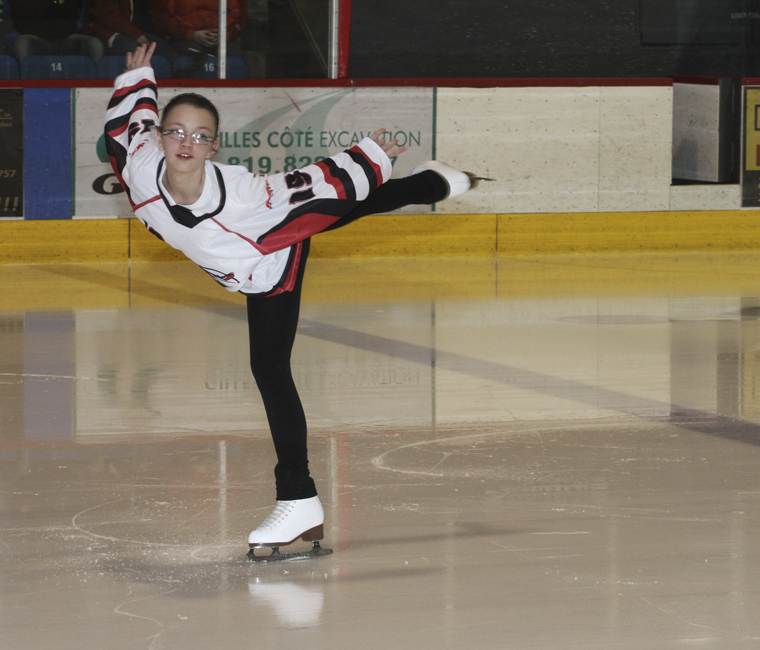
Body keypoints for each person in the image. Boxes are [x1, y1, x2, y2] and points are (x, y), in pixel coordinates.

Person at [104, 44, 482, 561]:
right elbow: (129, 124)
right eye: (177, 131)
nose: (186, 142)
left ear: (214, 146)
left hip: (270, 259)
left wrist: (367, 160)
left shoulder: (243, 195)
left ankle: (297, 497)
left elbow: (307, 189)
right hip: (246, 251)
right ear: (161, 137)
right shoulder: (140, 161)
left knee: (270, 365)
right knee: (346, 213)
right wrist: (138, 79)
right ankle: (434, 182)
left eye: (200, 135)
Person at [8, 0, 103, 67]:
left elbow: (71, 19)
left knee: (93, 44)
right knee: (21, 43)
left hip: (66, 38)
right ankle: (22, 88)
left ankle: (97, 90)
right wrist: (56, 3)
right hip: (35, 39)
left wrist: (44, 7)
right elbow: (21, 19)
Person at [81, 0, 175, 60]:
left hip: (130, 32)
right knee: (132, 50)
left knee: (164, 50)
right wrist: (136, 34)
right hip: (103, 32)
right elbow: (107, 17)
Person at [150, 0, 246, 58]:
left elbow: (240, 14)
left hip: (221, 38)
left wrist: (227, 33)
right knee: (190, 59)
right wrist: (191, 34)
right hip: (184, 39)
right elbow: (163, 18)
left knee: (233, 60)